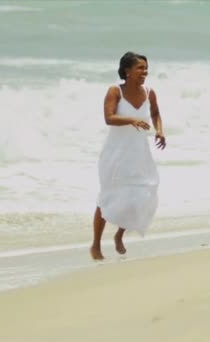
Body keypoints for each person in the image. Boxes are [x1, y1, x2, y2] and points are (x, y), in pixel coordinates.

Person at [91, 52, 166, 260]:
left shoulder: (149, 92)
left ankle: (119, 235)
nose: (145, 72)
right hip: (116, 153)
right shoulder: (115, 91)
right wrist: (131, 119)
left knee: (138, 197)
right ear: (127, 71)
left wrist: (159, 131)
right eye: (140, 68)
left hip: (139, 153)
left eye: (146, 68)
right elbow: (109, 117)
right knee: (108, 198)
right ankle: (96, 245)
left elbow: (156, 114)